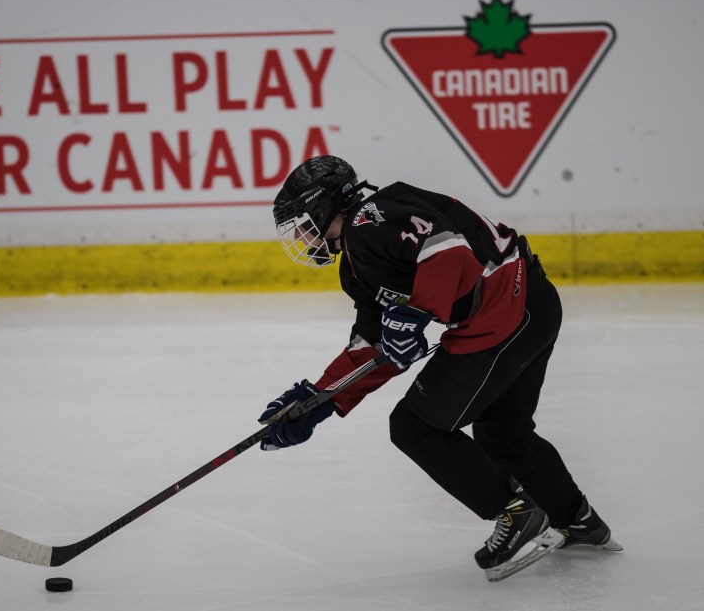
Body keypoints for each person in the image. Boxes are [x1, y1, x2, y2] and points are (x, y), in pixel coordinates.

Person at [258, 155, 622, 582]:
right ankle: (578, 522)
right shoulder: (357, 261)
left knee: (414, 426)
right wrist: (319, 399)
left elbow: (449, 253)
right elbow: (374, 344)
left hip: (504, 314)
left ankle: (518, 513)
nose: (301, 236)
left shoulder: (371, 218)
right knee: (503, 434)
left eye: (302, 222)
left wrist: (416, 312)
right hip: (531, 306)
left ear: (324, 208)